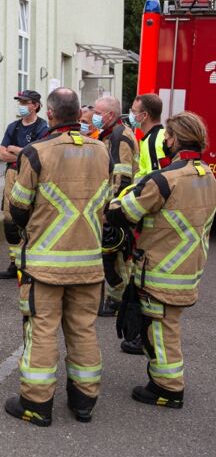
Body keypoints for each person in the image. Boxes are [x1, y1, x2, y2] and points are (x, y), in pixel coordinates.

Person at [4, 88, 111, 426]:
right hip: (90, 262)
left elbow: (19, 206)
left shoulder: (37, 152)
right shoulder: (102, 151)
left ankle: (36, 404)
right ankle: (84, 402)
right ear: (79, 114)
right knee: (83, 330)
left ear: (49, 114)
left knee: (43, 331)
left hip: (46, 264)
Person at [107, 111, 216, 408]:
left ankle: (168, 388)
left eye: (168, 136)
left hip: (160, 269)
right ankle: (166, 381)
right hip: (189, 267)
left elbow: (122, 212)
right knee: (169, 324)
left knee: (160, 328)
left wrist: (122, 195)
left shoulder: (165, 179)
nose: (165, 140)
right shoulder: (207, 174)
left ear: (175, 138)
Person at [121, 93, 169, 355]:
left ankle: (142, 336)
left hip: (152, 219)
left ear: (145, 115)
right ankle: (141, 333)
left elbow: (156, 180)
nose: (131, 114)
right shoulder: (150, 138)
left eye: (134, 110)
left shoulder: (155, 141)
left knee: (145, 275)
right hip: (149, 215)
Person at [93, 95, 139, 316]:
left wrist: (111, 210)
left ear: (110, 115)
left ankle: (119, 300)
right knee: (111, 255)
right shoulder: (111, 133)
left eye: (98, 112)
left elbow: (122, 177)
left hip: (117, 207)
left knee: (116, 255)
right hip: (114, 205)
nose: (94, 116)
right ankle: (116, 297)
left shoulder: (119, 135)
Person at [0, 90, 48, 279]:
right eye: (19, 101)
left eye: (25, 102)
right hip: (12, 173)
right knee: (9, 218)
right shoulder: (14, 127)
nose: (21, 105)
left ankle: (30, 262)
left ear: (35, 105)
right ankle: (15, 262)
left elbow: (40, 154)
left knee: (31, 216)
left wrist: (16, 150)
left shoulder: (43, 127)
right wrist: (24, 152)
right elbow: (2, 154)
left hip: (33, 175)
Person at [130, 94, 168, 181]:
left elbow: (155, 182)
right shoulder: (161, 135)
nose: (131, 115)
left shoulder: (152, 142)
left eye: (134, 112)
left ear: (145, 115)